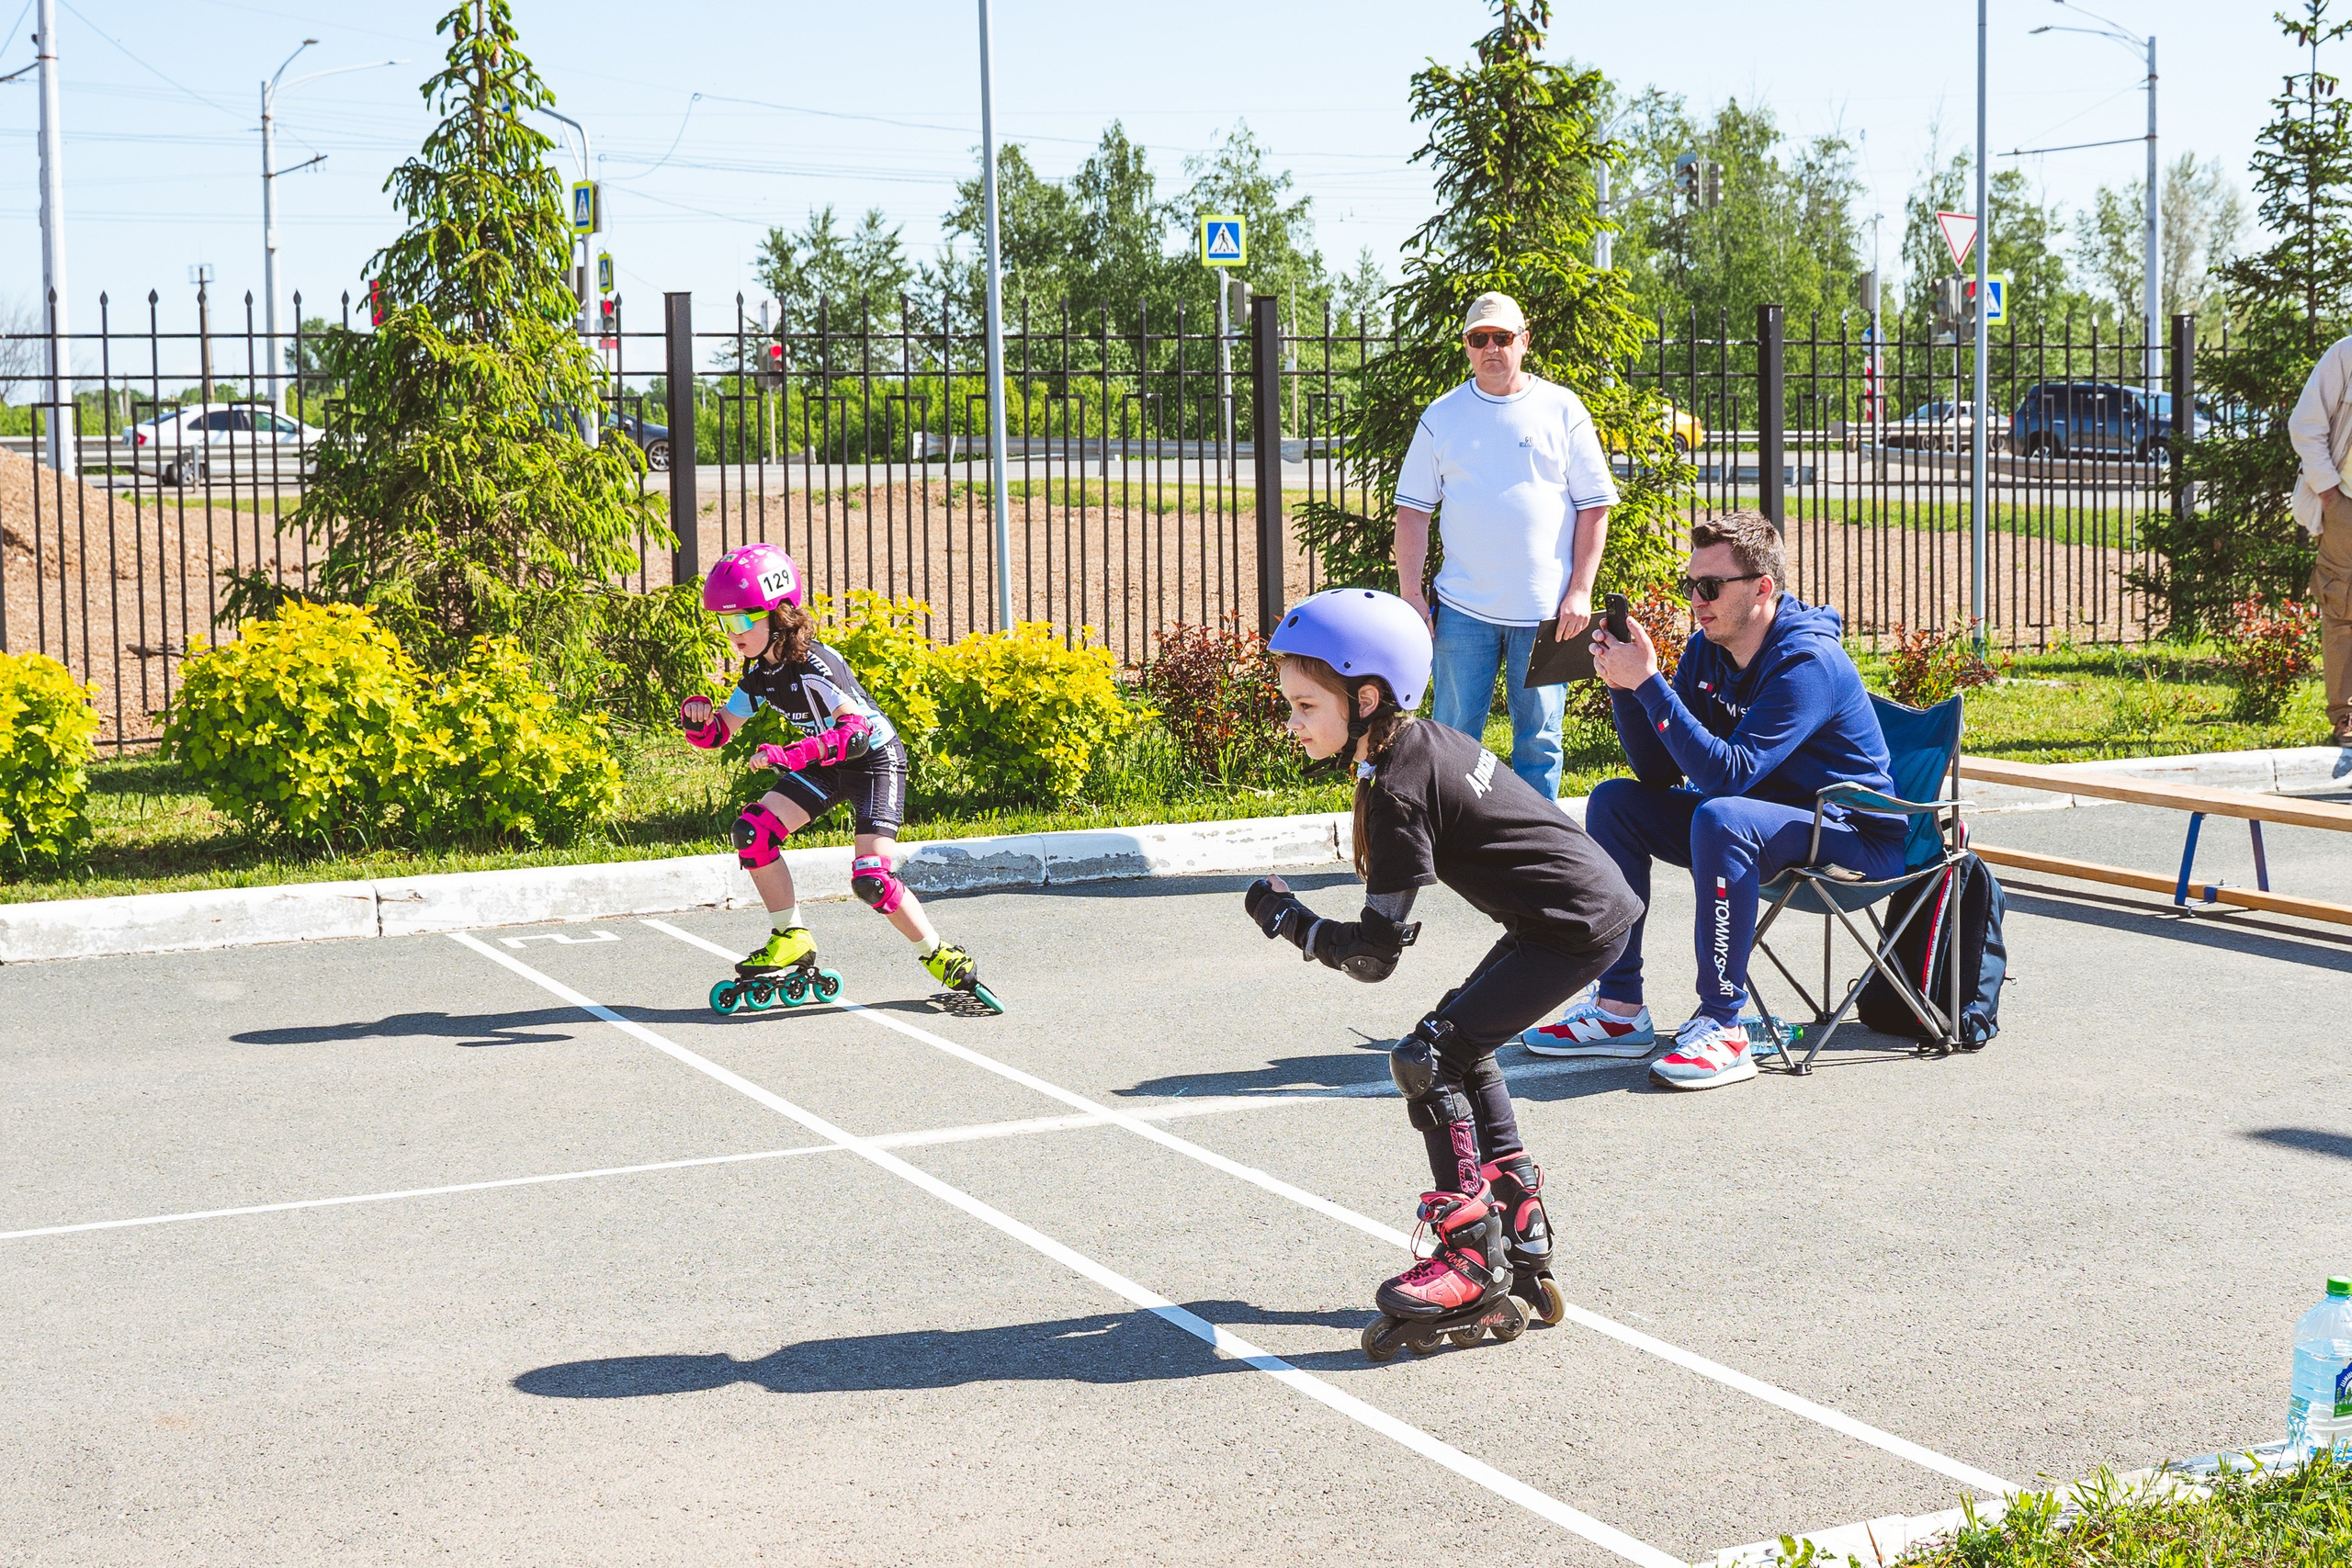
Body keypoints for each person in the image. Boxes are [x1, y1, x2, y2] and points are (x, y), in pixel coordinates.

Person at [1243, 587, 1643, 1359]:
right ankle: (1518, 1225)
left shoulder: (1395, 787)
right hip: (1571, 916)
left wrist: (1285, 918)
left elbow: (1372, 954)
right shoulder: (1410, 745)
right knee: (1464, 1044)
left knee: (1426, 1057)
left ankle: (1470, 1258)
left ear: (1364, 698)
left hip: (1573, 926)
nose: (1291, 723)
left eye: (1303, 705)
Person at [1520, 512, 1900, 1090]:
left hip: (1851, 835)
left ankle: (1724, 1024)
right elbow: (1657, 771)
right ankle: (1620, 1011)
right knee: (1616, 803)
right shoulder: (1708, 651)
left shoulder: (1807, 662)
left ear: (1762, 588)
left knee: (1722, 816)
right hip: (1764, 820)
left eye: (1711, 587)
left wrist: (1650, 683)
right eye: (1689, 584)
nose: (1696, 599)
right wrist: (1627, 690)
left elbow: (1729, 776)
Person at [678, 543, 1001, 1014]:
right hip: (825, 762)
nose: (732, 634)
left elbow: (854, 736)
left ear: (779, 615)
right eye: (725, 623)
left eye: (742, 621)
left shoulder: (815, 665)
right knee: (754, 831)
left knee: (872, 881)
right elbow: (720, 732)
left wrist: (787, 754)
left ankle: (938, 954)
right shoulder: (761, 672)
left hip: (874, 763)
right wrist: (698, 722)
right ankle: (790, 936)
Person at [1394, 290, 1620, 801]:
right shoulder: (1442, 417)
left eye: (1502, 337)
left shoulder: (1563, 410)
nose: (1491, 348)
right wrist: (1411, 593)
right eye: (1479, 339)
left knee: (1539, 742)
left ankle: (1539, 848)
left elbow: (1595, 507)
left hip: (1549, 615)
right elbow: (1412, 513)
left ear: (1524, 341)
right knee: (1452, 738)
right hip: (1462, 611)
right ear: (1467, 348)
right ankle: (1454, 842)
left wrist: (1580, 591)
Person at [2288, 337, 2352, 746]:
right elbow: (2305, 424)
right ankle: (2345, 716)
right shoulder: (2346, 355)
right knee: (2342, 610)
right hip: (2347, 505)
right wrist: (2329, 493)